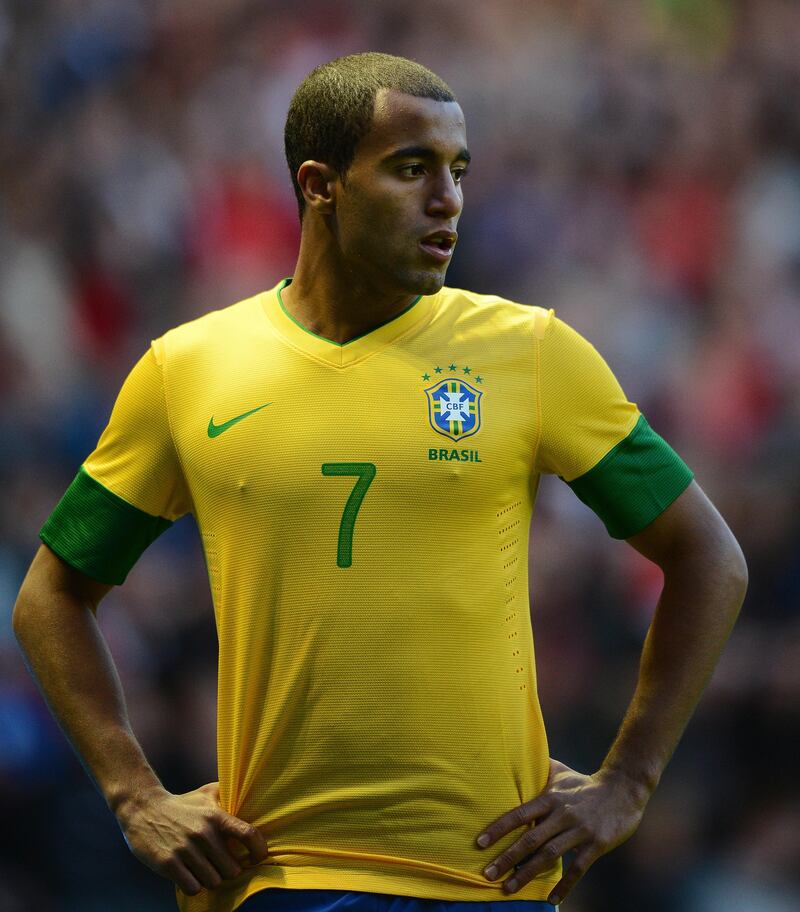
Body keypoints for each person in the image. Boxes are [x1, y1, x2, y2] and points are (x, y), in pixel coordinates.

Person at [13, 52, 747, 912]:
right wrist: (135, 796)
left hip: (487, 877)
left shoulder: (533, 353)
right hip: (275, 878)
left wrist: (628, 780)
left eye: (458, 171)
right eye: (412, 169)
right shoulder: (188, 371)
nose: (449, 199)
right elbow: (50, 597)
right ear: (320, 184)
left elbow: (709, 558)